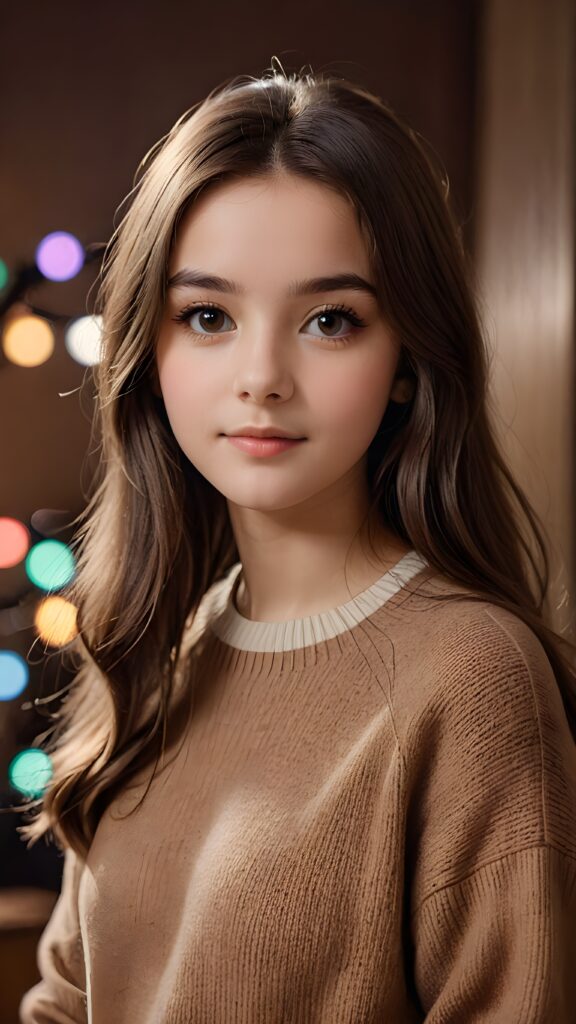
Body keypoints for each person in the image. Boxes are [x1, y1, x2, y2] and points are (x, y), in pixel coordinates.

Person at [17, 62, 576, 1022]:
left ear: (407, 361)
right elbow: (65, 1001)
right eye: (208, 317)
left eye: (330, 320)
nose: (262, 376)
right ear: (150, 352)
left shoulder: (473, 679)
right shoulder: (161, 648)